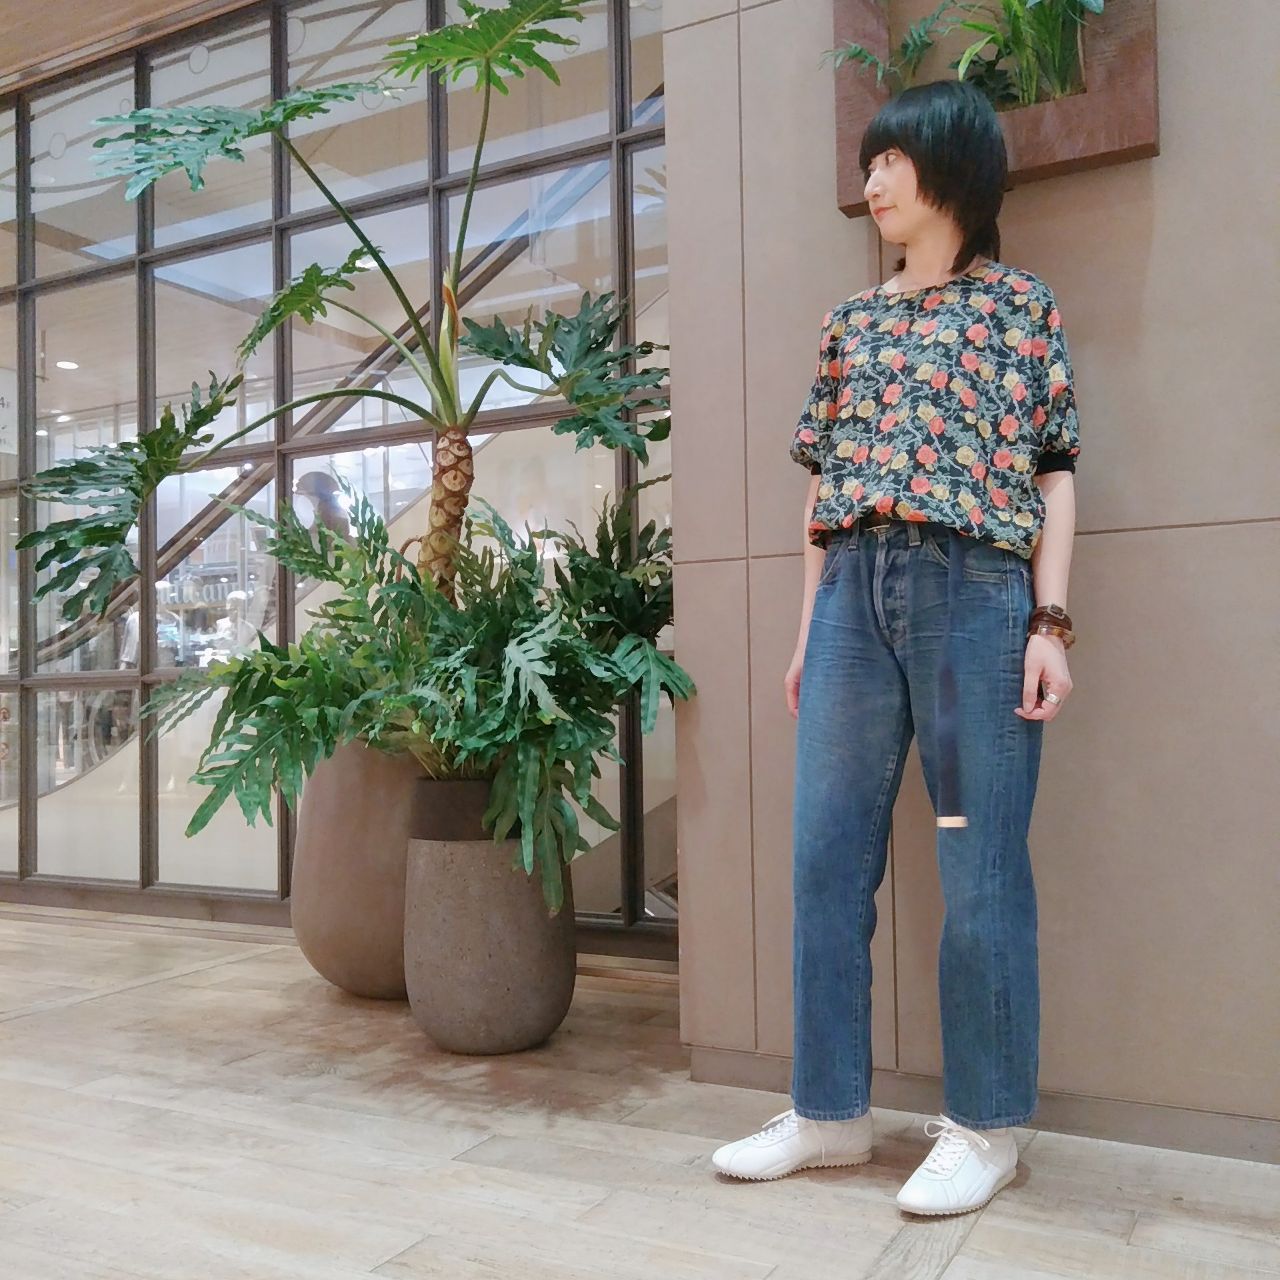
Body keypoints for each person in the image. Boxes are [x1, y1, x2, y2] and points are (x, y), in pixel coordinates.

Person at [711, 80, 1080, 1217]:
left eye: (889, 161)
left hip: (972, 598)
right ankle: (827, 1111)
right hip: (851, 604)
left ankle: (986, 1126)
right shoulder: (850, 323)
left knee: (975, 864)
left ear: (949, 166)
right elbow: (822, 488)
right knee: (825, 859)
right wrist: (806, 629)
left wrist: (1049, 622)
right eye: (867, 164)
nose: (870, 182)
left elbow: (1053, 472)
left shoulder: (1018, 306)